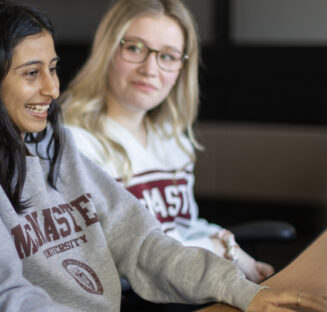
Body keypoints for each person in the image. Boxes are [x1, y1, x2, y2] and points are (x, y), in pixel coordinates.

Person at [0, 0, 327, 312]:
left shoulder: (58, 148)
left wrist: (241, 290)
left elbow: (141, 241)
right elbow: (4, 306)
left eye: (53, 69)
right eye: (31, 73)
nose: (52, 88)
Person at [62, 0, 273, 283]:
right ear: (108, 50)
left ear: (181, 69)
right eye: (135, 48)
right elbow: (117, 249)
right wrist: (224, 251)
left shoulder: (171, 139)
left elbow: (182, 225)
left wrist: (224, 239)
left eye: (168, 56)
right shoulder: (74, 141)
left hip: (190, 286)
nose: (150, 69)